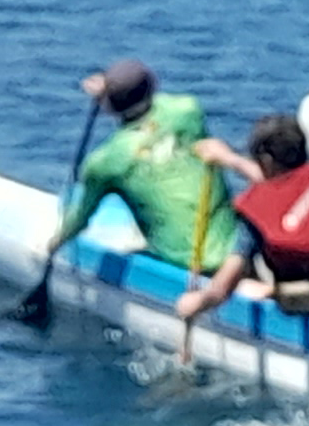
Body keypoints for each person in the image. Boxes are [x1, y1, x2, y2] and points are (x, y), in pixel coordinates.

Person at [174, 112, 309, 327]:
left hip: (300, 308)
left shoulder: (254, 216)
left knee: (246, 284)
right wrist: (229, 159)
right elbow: (282, 184)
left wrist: (198, 301)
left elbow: (222, 288)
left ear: (266, 160)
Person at [52, 60, 237, 274]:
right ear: (154, 85)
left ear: (109, 106)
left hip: (187, 264)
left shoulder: (104, 162)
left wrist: (53, 246)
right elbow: (157, 102)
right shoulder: (189, 110)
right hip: (236, 249)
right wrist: (115, 91)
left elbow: (79, 221)